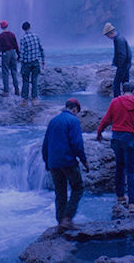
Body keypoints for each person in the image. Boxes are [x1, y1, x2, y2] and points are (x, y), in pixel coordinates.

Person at [97, 81, 134, 212]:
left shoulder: (115, 102)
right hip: (129, 137)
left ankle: (120, 196)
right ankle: (132, 203)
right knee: (131, 170)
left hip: (116, 137)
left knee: (119, 167)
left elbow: (106, 119)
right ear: (133, 92)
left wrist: (99, 132)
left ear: (122, 91)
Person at [42, 98, 89, 233]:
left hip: (54, 162)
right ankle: (67, 218)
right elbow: (77, 143)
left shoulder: (53, 121)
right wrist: (84, 160)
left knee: (60, 192)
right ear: (75, 109)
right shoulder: (73, 120)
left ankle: (60, 222)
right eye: (77, 112)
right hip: (67, 161)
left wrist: (47, 162)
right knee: (78, 187)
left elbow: (45, 144)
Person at [103, 22, 132, 97]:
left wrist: (119, 65)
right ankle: (128, 99)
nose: (108, 37)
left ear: (110, 33)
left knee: (116, 84)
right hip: (126, 65)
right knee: (125, 83)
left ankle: (117, 100)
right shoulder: (121, 37)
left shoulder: (118, 40)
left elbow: (122, 54)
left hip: (123, 66)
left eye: (107, 35)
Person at [19, 21, 45, 104]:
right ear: (30, 27)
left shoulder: (23, 39)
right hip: (36, 62)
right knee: (34, 80)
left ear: (23, 29)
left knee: (25, 80)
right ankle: (34, 99)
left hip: (27, 63)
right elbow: (41, 49)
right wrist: (43, 60)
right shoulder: (36, 36)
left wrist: (20, 62)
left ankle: (25, 99)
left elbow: (22, 53)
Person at [0, 20, 20, 96]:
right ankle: (17, 90)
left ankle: (6, 91)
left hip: (5, 54)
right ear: (7, 25)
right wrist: (19, 55)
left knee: (5, 72)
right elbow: (16, 45)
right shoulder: (12, 34)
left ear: (1, 27)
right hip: (13, 53)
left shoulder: (0, 36)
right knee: (14, 71)